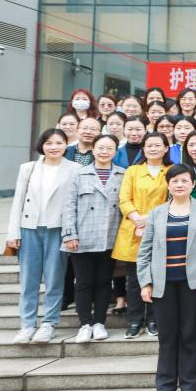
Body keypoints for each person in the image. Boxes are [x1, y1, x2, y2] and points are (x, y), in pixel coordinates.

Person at [138, 165, 196, 391]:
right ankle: (165, 386)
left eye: (184, 180)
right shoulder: (157, 212)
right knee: (167, 336)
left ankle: (189, 385)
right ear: (168, 185)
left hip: (193, 282)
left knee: (189, 334)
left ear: (193, 184)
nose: (180, 185)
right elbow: (145, 250)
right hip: (162, 283)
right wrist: (146, 282)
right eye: (175, 181)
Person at [6, 129, 81, 343]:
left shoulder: (75, 169)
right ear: (42, 145)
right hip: (29, 228)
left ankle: (49, 323)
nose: (54, 147)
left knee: (54, 279)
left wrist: (72, 233)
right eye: (49, 143)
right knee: (28, 280)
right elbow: (18, 201)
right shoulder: (28, 168)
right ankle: (27, 324)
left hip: (58, 229)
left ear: (66, 145)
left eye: (59, 142)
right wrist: (13, 232)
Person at [62, 134, 125, 343]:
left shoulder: (122, 174)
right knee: (83, 282)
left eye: (109, 148)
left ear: (115, 151)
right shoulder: (78, 174)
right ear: (93, 150)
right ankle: (85, 323)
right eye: (100, 147)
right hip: (83, 237)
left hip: (110, 237)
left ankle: (99, 323)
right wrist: (69, 234)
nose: (104, 152)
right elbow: (68, 206)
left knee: (104, 282)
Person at [113, 132, 169, 338]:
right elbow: (124, 199)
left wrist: (148, 219)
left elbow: (173, 199)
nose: (153, 149)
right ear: (143, 149)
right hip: (134, 229)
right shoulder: (133, 171)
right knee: (134, 279)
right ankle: (135, 320)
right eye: (149, 145)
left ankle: (154, 319)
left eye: (158, 145)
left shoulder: (171, 171)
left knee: (158, 277)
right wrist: (137, 217)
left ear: (166, 148)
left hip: (161, 228)